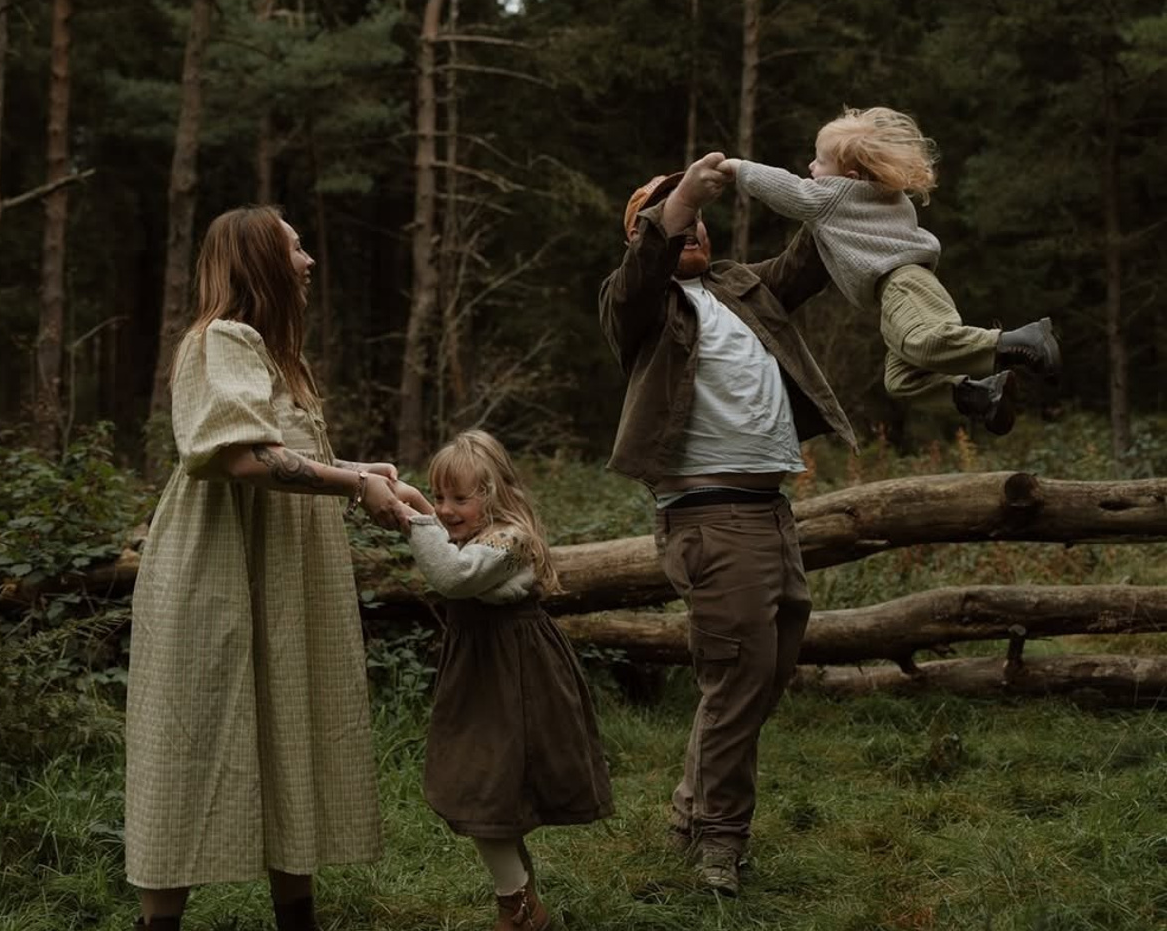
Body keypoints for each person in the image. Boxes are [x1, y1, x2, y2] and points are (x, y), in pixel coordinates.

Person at [125, 205, 431, 931]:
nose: (308, 261)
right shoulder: (219, 339)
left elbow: (280, 453)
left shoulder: (271, 354)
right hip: (216, 567)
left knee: (292, 722)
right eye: (294, 249)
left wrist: (364, 468)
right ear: (260, 260)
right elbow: (241, 457)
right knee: (192, 738)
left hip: (283, 572)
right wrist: (356, 486)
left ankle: (298, 917)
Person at [599, 151, 855, 896]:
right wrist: (677, 198)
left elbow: (817, 249)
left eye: (698, 217)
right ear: (645, 231)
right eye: (674, 216)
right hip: (710, 518)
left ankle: (691, 813)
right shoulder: (636, 303)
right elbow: (647, 263)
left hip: (771, 510)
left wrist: (835, 176)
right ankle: (719, 842)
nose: (692, 226)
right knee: (739, 679)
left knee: (761, 677)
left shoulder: (743, 287)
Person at [725, 105, 1061, 435]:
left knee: (921, 342)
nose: (811, 166)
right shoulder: (884, 195)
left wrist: (739, 169)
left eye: (820, 161)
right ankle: (983, 394)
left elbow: (790, 191)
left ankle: (1020, 342)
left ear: (850, 177)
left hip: (903, 285)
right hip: (902, 290)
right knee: (901, 380)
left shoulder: (834, 196)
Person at [393, 429, 612, 931]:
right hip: (480, 673)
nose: (446, 509)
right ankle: (524, 903)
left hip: (516, 674)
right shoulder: (475, 529)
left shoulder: (510, 539)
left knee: (484, 789)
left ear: (494, 496)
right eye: (440, 496)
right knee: (483, 788)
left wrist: (416, 516)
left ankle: (516, 910)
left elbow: (453, 576)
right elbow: (446, 548)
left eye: (459, 498)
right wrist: (409, 499)